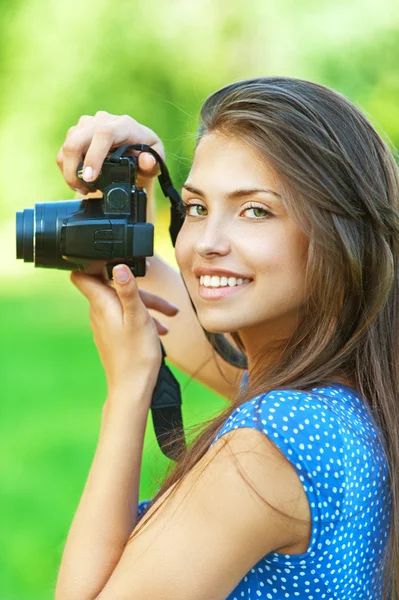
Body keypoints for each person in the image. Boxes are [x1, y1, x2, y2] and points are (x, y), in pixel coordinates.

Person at [54, 77, 398, 600]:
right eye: (195, 207)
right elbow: (188, 320)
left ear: (336, 238)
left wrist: (128, 391)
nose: (207, 244)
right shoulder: (342, 392)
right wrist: (131, 197)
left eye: (255, 210)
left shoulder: (270, 443)